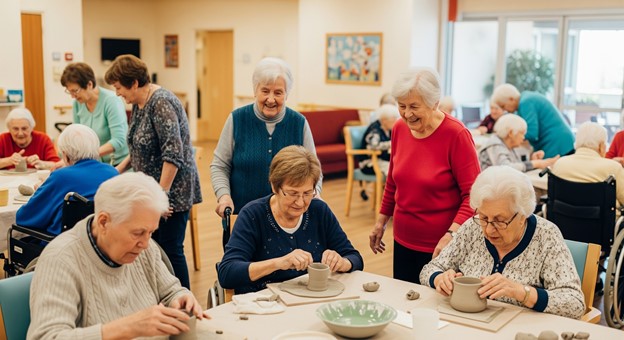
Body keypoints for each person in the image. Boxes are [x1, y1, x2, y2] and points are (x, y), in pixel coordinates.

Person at [27, 172, 208, 339]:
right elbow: (47, 336)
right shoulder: (61, 259)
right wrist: (128, 327)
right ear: (104, 222)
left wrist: (181, 298)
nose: (146, 244)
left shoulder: (145, 246)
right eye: (138, 233)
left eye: (151, 232)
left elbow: (171, 291)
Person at [420, 166, 585, 319]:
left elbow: (575, 303)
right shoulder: (473, 226)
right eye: (484, 218)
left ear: (523, 216)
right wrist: (439, 279)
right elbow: (429, 269)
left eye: (500, 221)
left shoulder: (547, 236)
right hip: (467, 324)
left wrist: (522, 292)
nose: (489, 230)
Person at [369, 68, 481, 283]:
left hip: (442, 246)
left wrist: (451, 235)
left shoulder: (456, 134)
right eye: (402, 106)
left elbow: (473, 197)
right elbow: (393, 180)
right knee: (405, 303)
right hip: (403, 239)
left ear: (434, 103)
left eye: (414, 107)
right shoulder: (399, 128)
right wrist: (381, 221)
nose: (407, 113)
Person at [105, 54, 201, 289]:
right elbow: (139, 144)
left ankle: (184, 302)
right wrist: (119, 168)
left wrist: (161, 196)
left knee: (170, 249)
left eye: (119, 88)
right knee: (152, 248)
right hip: (153, 190)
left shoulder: (161, 103)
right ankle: (159, 297)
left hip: (172, 192)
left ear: (134, 83)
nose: (117, 93)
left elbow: (173, 155)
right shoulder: (140, 102)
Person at [218, 146, 363, 294]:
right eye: (292, 193)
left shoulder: (320, 211)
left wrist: (343, 262)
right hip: (266, 304)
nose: (300, 202)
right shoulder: (253, 215)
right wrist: (279, 263)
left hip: (312, 300)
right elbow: (227, 273)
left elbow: (355, 258)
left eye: (307, 193)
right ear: (275, 186)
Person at [210, 57, 320, 218]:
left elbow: (315, 170)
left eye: (278, 92)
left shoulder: (299, 122)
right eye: (265, 91)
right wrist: (224, 196)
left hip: (289, 218)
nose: (270, 99)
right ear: (255, 90)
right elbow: (220, 165)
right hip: (243, 214)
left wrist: (315, 195)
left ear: (287, 94)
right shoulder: (237, 119)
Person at [15, 124, 118, 235]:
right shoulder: (113, 173)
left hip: (62, 245)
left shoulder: (61, 176)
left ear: (65, 154)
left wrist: (41, 191)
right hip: (102, 244)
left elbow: (24, 218)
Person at [61, 62, 129, 166]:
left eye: (75, 91)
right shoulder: (78, 103)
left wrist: (85, 156)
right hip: (93, 163)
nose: (72, 96)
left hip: (117, 164)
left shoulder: (111, 101)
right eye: (69, 92)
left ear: (89, 84)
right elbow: (77, 137)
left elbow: (119, 140)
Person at [492, 84, 574, 158]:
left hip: (558, 144)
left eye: (503, 106)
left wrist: (509, 137)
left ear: (511, 99)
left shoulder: (525, 103)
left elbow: (532, 133)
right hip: (559, 142)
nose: (504, 110)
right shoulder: (524, 101)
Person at [552, 122, 624, 206]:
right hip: (604, 219)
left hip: (562, 217)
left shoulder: (559, 163)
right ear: (601, 146)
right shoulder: (613, 168)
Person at [479, 114, 559, 172]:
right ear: (510, 133)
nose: (524, 138)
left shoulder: (507, 145)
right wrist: (535, 164)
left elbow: (516, 165)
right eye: (522, 134)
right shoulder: (495, 145)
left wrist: (532, 160)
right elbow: (506, 169)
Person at [359, 104, 400, 176]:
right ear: (384, 120)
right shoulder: (375, 130)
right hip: (370, 162)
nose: (395, 121)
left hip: (383, 160)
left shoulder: (389, 129)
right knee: (396, 171)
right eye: (393, 119)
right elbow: (373, 146)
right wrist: (390, 144)